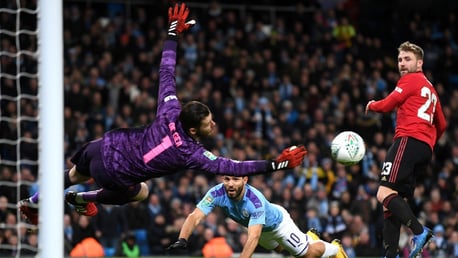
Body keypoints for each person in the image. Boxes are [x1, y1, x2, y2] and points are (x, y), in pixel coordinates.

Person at [18, 3, 307, 225]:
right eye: (209, 123)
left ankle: (32, 203)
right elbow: (234, 167)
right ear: (193, 130)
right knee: (141, 192)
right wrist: (276, 165)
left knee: (70, 174)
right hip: (112, 173)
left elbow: (166, 70)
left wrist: (172, 33)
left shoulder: (170, 110)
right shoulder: (191, 154)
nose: (213, 124)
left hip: (103, 146)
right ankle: (80, 198)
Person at [365, 41, 447, 258]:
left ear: (419, 63)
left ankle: (420, 232)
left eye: (407, 59)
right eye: (400, 59)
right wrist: (428, 142)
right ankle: (390, 254)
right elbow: (443, 124)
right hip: (423, 149)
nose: (402, 63)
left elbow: (388, 104)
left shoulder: (410, 80)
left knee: (382, 193)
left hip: (407, 140)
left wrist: (371, 105)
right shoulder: (431, 89)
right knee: (391, 203)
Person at [166, 175, 348, 258]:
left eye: (235, 179)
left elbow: (253, 236)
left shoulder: (255, 201)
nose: (230, 184)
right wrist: (182, 238)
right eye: (227, 179)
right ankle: (309, 238)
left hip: (278, 225)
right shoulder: (216, 193)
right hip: (260, 230)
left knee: (306, 254)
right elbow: (194, 216)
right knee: (279, 251)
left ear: (245, 180)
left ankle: (335, 248)